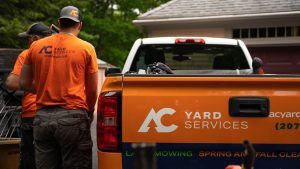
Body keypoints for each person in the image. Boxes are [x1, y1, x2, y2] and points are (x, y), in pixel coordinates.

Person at [20, 6, 98, 169]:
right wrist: (89, 111)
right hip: (73, 117)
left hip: (42, 119)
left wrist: (43, 88)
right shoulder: (86, 48)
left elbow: (24, 83)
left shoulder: (35, 47)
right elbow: (91, 90)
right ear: (80, 25)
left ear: (59, 22)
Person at [5, 23, 52, 169]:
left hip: (32, 114)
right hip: (58, 113)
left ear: (34, 39)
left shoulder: (28, 53)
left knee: (30, 161)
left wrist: (33, 87)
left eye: (28, 38)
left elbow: (11, 83)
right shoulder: (62, 53)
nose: (28, 42)